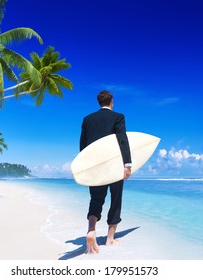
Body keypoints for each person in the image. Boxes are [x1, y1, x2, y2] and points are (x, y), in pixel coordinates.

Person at [79, 90, 132, 254]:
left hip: (95, 166)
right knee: (116, 199)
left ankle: (91, 230)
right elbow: (122, 139)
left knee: (96, 198)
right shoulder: (118, 117)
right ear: (111, 101)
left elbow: (83, 146)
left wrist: (86, 166)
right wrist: (127, 164)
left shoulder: (87, 120)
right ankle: (110, 239)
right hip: (114, 165)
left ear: (99, 102)